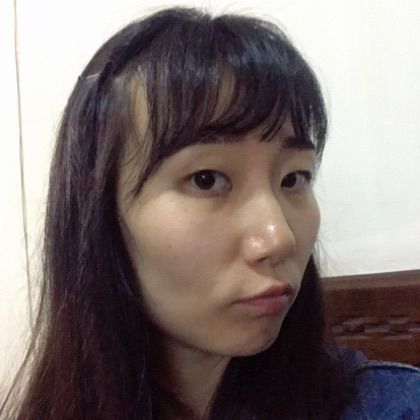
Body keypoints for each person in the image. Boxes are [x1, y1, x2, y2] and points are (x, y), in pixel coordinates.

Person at [1, 7, 420, 420]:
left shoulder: (390, 406)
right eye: (206, 179)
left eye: (294, 178)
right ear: (101, 215)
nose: (279, 238)